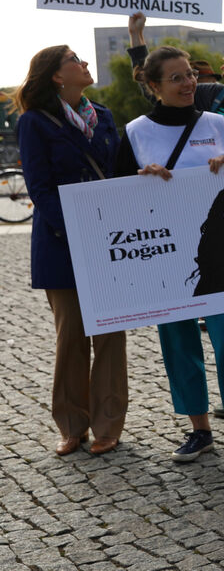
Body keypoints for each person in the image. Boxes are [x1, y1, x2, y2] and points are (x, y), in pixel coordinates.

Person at [115, 45, 224, 465]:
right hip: (166, 257)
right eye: (176, 78)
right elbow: (116, 199)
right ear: (153, 86)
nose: (189, 83)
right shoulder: (135, 132)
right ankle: (199, 430)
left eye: (189, 74)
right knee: (178, 340)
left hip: (217, 258)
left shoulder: (215, 123)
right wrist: (140, 179)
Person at [16, 46, 128, 457]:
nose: (84, 64)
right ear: (57, 76)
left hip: (109, 242)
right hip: (61, 244)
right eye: (74, 59)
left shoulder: (105, 116)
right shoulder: (32, 122)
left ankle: (108, 425)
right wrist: (75, 229)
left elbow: (118, 173)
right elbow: (39, 187)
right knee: (72, 338)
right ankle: (71, 424)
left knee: (111, 335)